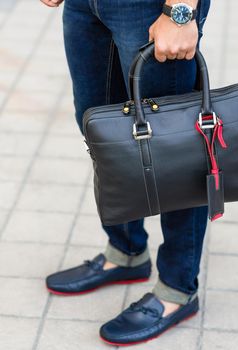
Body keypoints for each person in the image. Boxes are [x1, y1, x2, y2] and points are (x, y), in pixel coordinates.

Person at [41, 0, 211, 345]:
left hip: (152, 8)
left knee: (173, 145)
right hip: (85, 6)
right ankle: (127, 252)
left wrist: (181, 11)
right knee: (103, 133)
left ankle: (177, 289)